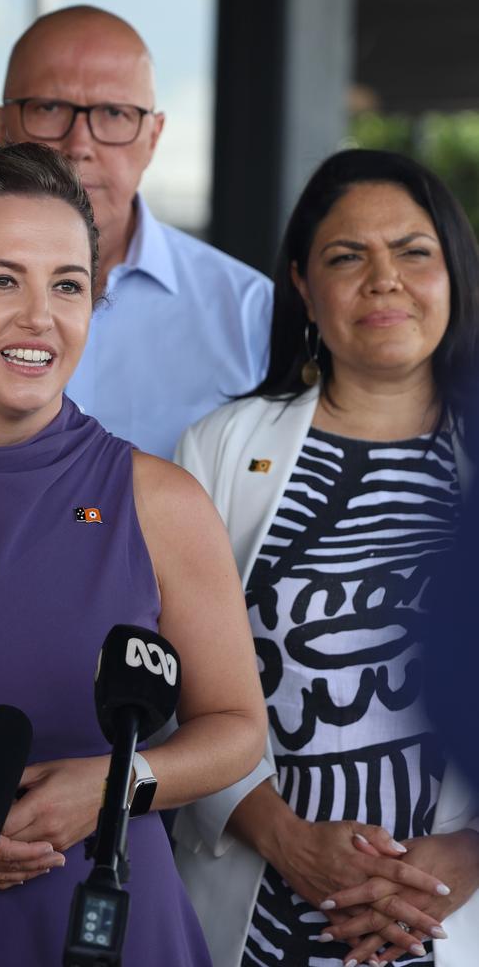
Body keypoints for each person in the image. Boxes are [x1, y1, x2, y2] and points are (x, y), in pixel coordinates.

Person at [0, 142, 268, 966]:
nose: (40, 316)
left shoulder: (162, 502)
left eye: (67, 285)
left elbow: (238, 728)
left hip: (107, 926)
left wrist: (119, 785)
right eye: (1, 280)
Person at [173, 148, 479, 967]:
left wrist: (472, 854)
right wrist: (284, 836)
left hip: (452, 921)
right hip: (257, 912)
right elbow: (169, 679)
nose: (384, 279)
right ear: (305, 287)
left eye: (414, 252)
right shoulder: (220, 450)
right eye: (348, 257)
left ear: (454, 273)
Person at [0, 4, 273, 460]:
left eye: (115, 114)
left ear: (154, 136)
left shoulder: (249, 313)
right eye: (48, 108)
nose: (79, 145)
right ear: (0, 126)